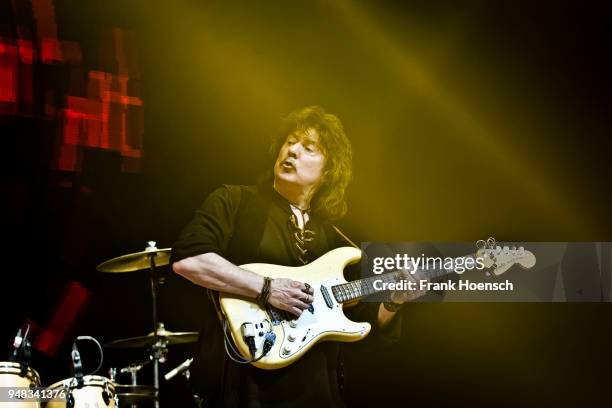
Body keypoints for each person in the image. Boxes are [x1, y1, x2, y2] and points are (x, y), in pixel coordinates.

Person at [170, 106, 415, 407]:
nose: (293, 150)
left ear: (328, 172)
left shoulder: (334, 238)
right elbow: (189, 260)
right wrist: (267, 288)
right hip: (242, 382)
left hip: (315, 389)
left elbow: (364, 324)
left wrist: (393, 302)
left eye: (308, 148)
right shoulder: (234, 200)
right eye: (290, 142)